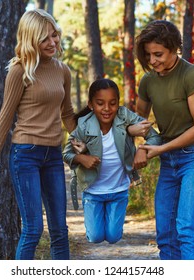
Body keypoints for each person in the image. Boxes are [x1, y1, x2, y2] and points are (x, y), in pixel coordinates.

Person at [0, 9, 76, 260]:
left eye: (54, 35)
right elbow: (5, 118)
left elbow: (68, 115)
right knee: (33, 230)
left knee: (60, 230)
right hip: (25, 155)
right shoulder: (20, 71)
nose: (52, 42)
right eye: (44, 38)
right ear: (31, 40)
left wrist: (90, 141)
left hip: (53, 156)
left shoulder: (63, 70)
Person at [134, 20, 194, 260]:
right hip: (169, 162)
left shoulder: (191, 75)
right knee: (166, 236)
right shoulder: (148, 81)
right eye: (148, 55)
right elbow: (139, 122)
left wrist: (162, 147)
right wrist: (140, 147)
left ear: (174, 48)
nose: (152, 60)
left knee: (188, 232)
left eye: (158, 54)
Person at [63, 78, 161, 244]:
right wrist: (81, 158)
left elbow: (154, 136)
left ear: (118, 103)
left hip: (119, 190)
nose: (107, 109)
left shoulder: (124, 116)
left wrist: (143, 150)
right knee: (95, 237)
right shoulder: (84, 125)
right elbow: (66, 153)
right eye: (100, 103)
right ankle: (96, 222)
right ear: (91, 104)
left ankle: (111, 221)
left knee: (114, 236)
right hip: (93, 191)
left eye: (113, 103)